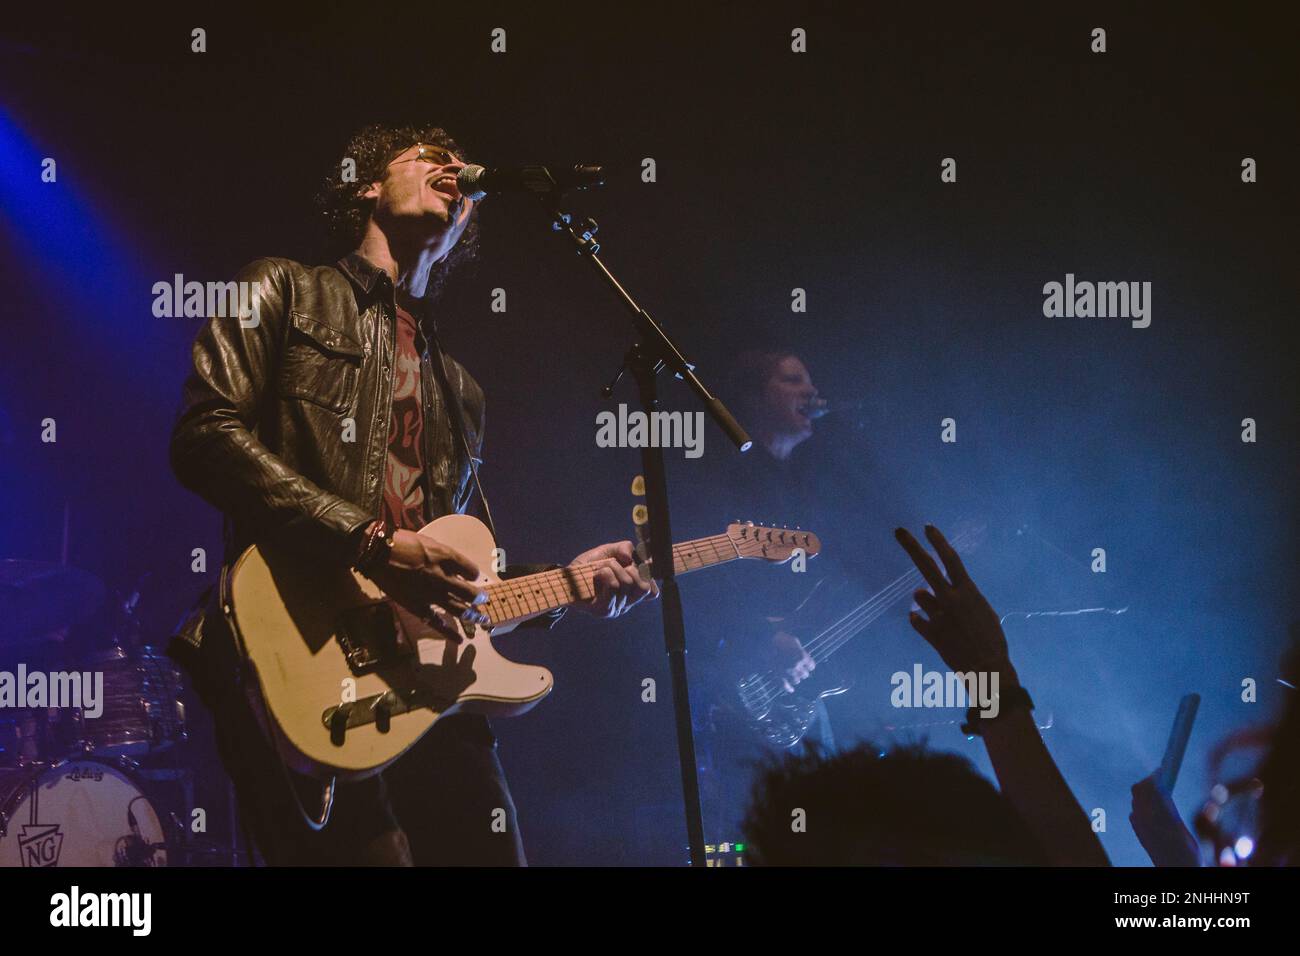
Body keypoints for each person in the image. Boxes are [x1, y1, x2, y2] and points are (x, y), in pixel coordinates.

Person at [169, 123, 654, 866]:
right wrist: (370, 542)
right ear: (367, 185)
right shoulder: (282, 288)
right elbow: (204, 436)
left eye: (460, 164)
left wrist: (569, 581)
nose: (452, 167)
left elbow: (455, 570)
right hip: (299, 654)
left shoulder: (461, 391)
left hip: (431, 689)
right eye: (429, 156)